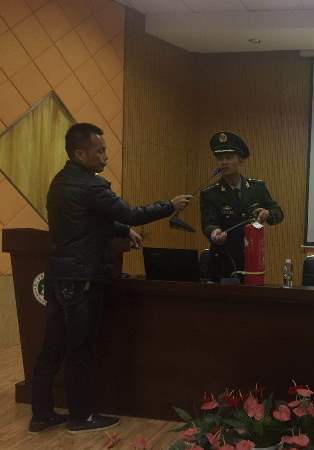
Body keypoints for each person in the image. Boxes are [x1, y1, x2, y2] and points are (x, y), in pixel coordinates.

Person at [29, 123, 192, 434]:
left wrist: (122, 231)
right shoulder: (91, 185)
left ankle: (41, 414)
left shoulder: (61, 181)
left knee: (52, 348)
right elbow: (130, 213)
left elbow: (90, 219)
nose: (106, 156)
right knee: (80, 350)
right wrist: (169, 206)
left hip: (59, 276)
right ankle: (81, 417)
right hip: (82, 279)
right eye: (100, 151)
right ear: (80, 154)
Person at [200, 132, 283, 280]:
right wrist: (214, 233)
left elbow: (278, 213)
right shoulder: (210, 193)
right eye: (220, 158)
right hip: (222, 261)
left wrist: (268, 214)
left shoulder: (257, 188)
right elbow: (208, 223)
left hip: (251, 260)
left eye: (229, 157)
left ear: (240, 160)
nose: (224, 162)